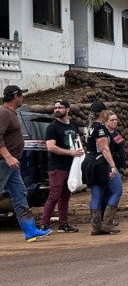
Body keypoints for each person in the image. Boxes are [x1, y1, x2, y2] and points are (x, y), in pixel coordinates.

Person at [0, 85, 51, 242]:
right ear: (16, 96)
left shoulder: (12, 113)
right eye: (21, 95)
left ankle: (30, 230)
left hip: (12, 164)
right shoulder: (4, 113)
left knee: (20, 194)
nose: (23, 98)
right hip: (3, 162)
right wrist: (8, 157)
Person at [39, 99, 83, 233]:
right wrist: (70, 152)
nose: (57, 110)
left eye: (60, 107)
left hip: (71, 166)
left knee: (65, 196)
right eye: (55, 108)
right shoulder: (52, 127)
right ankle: (43, 224)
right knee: (54, 195)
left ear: (68, 109)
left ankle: (63, 224)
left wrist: (79, 151)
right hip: (57, 166)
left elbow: (77, 140)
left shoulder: (73, 125)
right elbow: (50, 147)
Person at [85, 102, 122, 235]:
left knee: (96, 194)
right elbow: (104, 149)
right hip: (100, 163)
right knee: (117, 190)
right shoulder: (100, 128)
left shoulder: (89, 127)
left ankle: (96, 227)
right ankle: (107, 223)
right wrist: (112, 166)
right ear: (102, 113)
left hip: (89, 162)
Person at [102, 111, 125, 227]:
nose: (115, 122)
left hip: (116, 166)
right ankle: (107, 219)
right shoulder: (104, 134)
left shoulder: (115, 133)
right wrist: (112, 166)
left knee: (110, 192)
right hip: (109, 167)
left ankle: (107, 218)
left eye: (116, 120)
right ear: (106, 121)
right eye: (112, 120)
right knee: (116, 191)